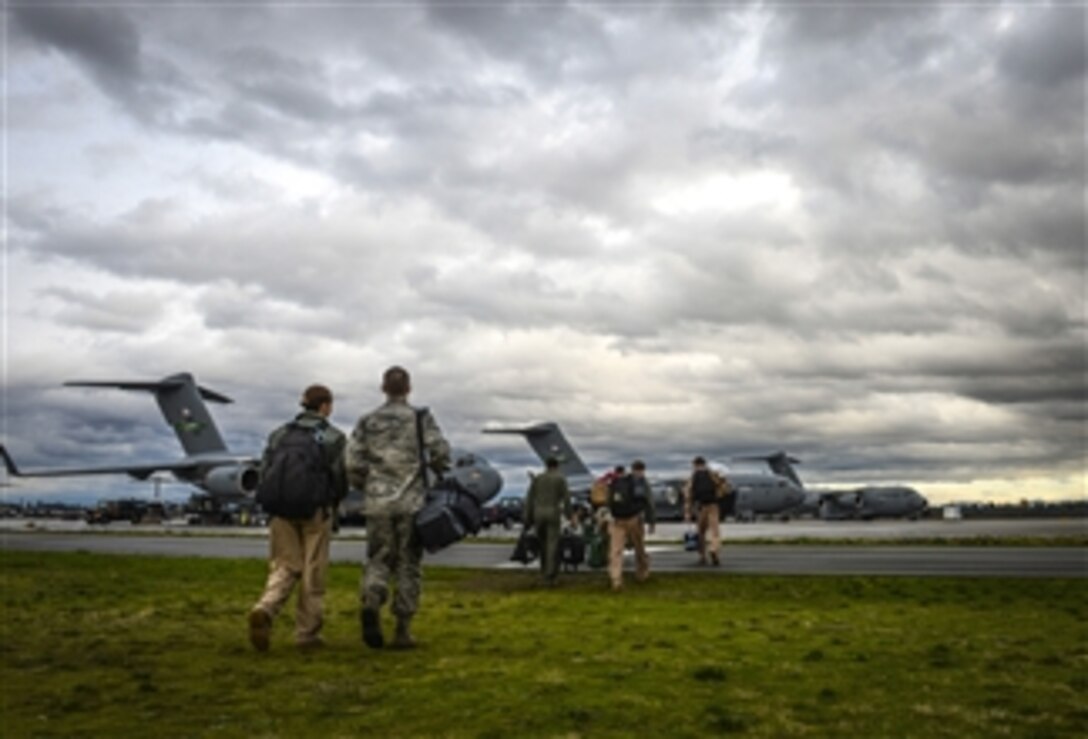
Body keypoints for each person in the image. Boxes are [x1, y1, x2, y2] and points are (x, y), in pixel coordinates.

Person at [346, 366, 450, 650]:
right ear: (408, 389)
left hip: (378, 502)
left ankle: (372, 597)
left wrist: (366, 485)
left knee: (378, 558)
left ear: (383, 388)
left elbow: (352, 462)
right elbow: (440, 452)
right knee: (408, 564)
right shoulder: (420, 418)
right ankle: (402, 629)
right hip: (411, 503)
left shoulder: (367, 421)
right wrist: (437, 471)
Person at [248, 384, 347, 651]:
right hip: (315, 511)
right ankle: (307, 634)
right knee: (312, 571)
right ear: (325, 406)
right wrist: (334, 504)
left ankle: (266, 608)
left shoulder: (279, 435)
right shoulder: (333, 437)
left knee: (285, 565)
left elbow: (266, 470)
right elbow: (340, 478)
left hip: (280, 511)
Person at [607, 459, 656, 591]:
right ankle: (642, 573)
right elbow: (649, 502)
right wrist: (651, 521)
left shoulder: (617, 482)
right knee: (639, 548)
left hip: (617, 519)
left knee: (616, 550)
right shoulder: (641, 483)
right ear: (642, 470)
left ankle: (616, 578)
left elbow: (609, 500)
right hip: (634, 519)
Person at [523, 456, 572, 586]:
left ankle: (544, 570)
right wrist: (570, 515)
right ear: (557, 466)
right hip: (553, 512)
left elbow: (529, 499)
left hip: (538, 513)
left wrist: (527, 518)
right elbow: (567, 499)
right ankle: (551, 574)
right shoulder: (560, 478)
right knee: (552, 544)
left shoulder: (538, 479)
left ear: (546, 465)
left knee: (542, 544)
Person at [684, 456, 725, 566]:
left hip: (701, 507)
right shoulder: (712, 474)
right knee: (714, 531)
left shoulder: (693, 477)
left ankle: (702, 555)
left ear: (695, 465)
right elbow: (723, 488)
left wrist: (687, 511)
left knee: (701, 532)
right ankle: (714, 549)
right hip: (713, 505)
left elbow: (688, 494)